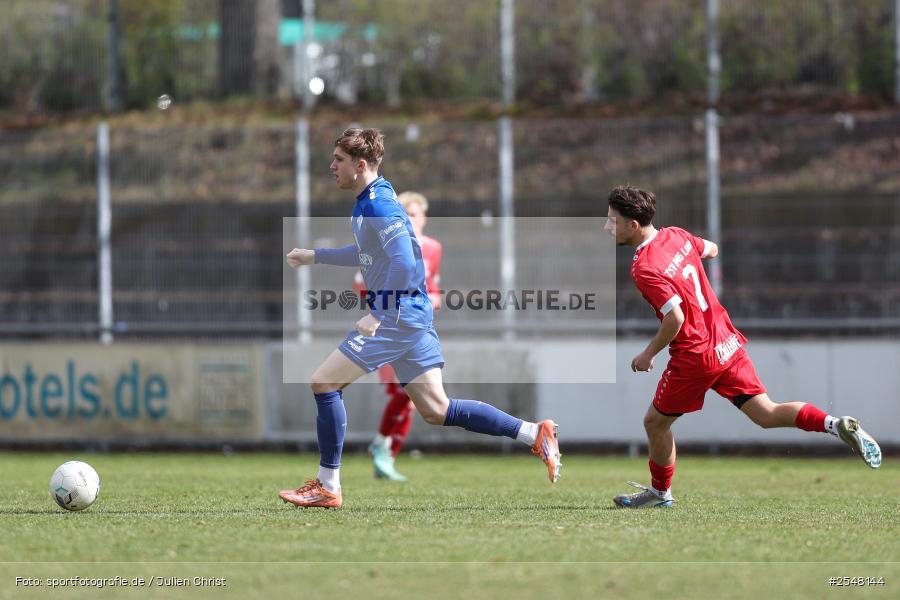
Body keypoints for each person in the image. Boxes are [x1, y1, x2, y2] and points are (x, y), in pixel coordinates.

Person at [279, 128, 561, 509]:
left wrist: (377, 312)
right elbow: (368, 254)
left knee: (324, 383)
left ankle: (328, 485)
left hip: (397, 316)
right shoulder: (372, 198)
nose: (332, 167)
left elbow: (405, 262)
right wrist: (316, 256)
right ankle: (534, 433)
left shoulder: (378, 205)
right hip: (411, 315)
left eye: (339, 160)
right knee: (436, 409)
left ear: (360, 165)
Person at [604, 185, 881, 509]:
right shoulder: (676, 235)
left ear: (633, 226)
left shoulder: (643, 267)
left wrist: (648, 353)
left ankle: (660, 493)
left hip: (695, 355)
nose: (607, 227)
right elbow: (712, 249)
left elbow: (675, 318)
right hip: (725, 341)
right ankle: (835, 424)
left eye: (612, 221)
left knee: (655, 423)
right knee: (767, 412)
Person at [354, 191, 443, 481]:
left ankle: (386, 456)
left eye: (416, 214)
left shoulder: (432, 248)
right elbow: (362, 284)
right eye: (407, 215)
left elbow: (433, 285)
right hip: (390, 327)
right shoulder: (385, 247)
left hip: (418, 327)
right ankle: (382, 448)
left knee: (416, 401)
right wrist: (382, 309)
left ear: (424, 217)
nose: (412, 220)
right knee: (403, 393)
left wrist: (434, 298)